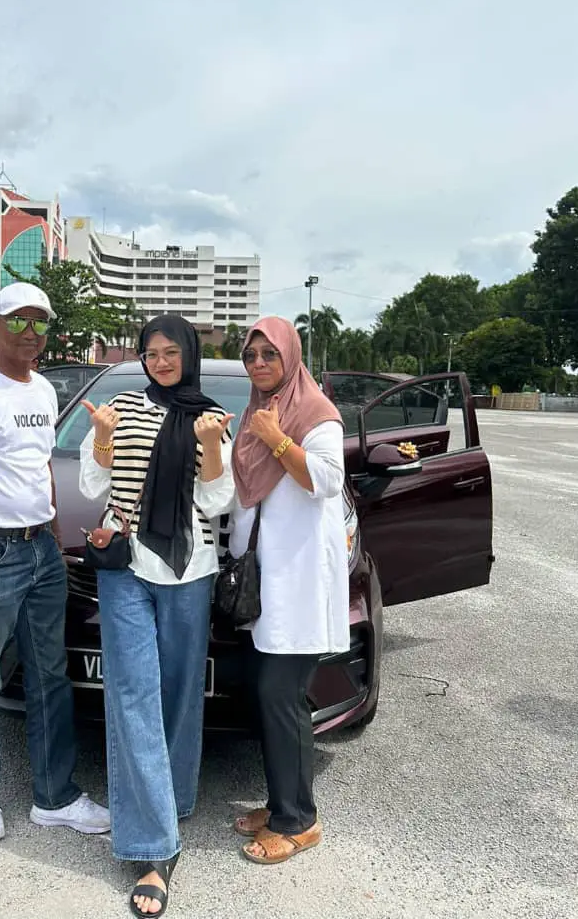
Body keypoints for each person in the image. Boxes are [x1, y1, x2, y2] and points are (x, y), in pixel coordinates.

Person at [0, 281, 109, 843]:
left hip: (41, 552)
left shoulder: (44, 392)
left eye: (41, 323)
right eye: (21, 321)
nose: (32, 333)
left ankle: (53, 797)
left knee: (51, 677)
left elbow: (38, 471)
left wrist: (54, 537)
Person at [79, 315, 235, 917]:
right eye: (151, 352)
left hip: (189, 571)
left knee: (179, 698)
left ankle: (174, 800)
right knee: (133, 696)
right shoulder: (122, 405)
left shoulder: (210, 414)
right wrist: (100, 436)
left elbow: (219, 502)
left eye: (171, 352)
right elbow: (96, 484)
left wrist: (213, 448)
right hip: (124, 566)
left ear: (188, 355)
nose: (161, 362)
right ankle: (153, 850)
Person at [229, 316, 348, 865]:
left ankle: (300, 822)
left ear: (290, 358)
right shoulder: (255, 412)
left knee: (283, 698)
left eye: (268, 356)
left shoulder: (314, 414)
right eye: (251, 356)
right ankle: (281, 804)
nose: (258, 364)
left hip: (299, 581)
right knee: (270, 697)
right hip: (266, 582)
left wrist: (276, 439)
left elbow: (325, 480)